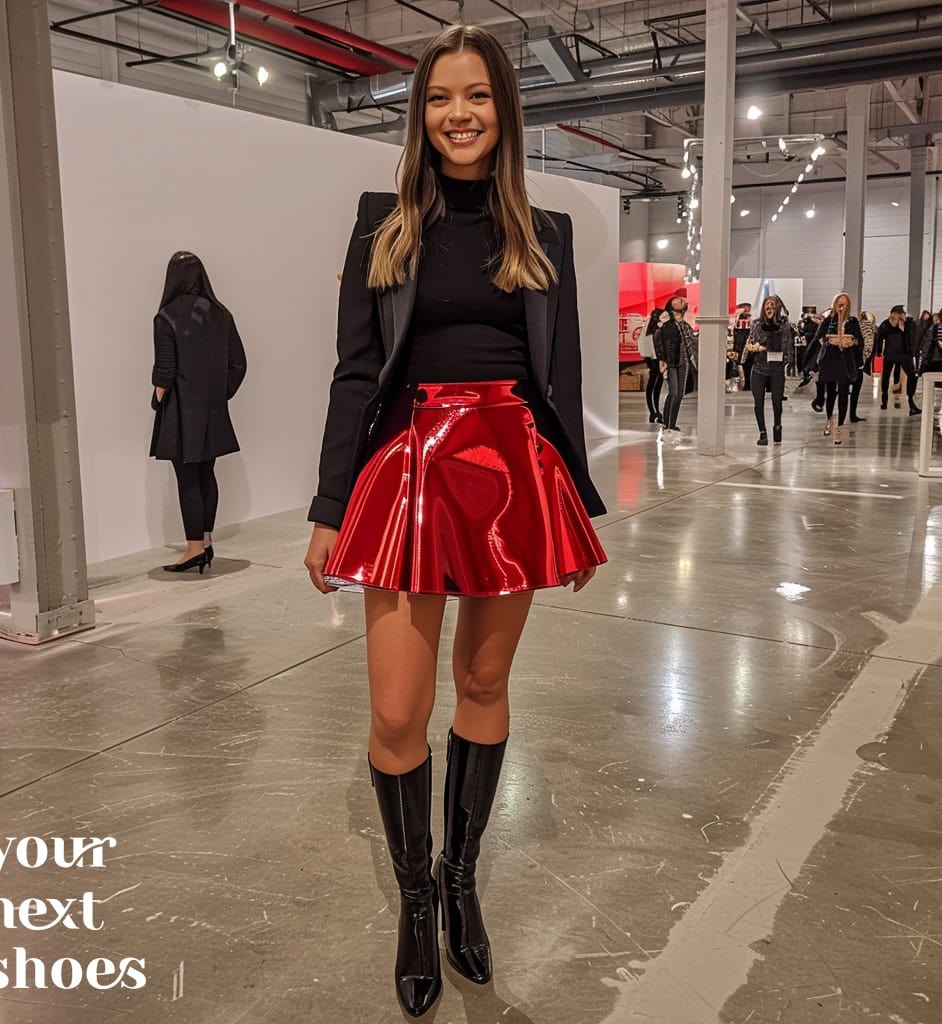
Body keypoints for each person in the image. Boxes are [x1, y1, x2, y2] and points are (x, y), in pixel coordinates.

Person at [302, 25, 607, 1018]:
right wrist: (326, 506)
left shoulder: (544, 234)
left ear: (503, 110)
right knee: (396, 710)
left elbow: (559, 380)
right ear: (419, 113)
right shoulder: (381, 224)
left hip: (512, 469)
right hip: (406, 467)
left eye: (476, 96)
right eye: (439, 97)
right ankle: (415, 895)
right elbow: (357, 372)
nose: (459, 113)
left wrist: (575, 497)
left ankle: (465, 878)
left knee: (482, 677)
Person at [149, 251, 246, 573]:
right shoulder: (221, 314)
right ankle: (205, 541)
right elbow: (238, 364)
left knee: (187, 478)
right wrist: (219, 395)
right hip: (213, 410)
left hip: (180, 412)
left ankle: (192, 549)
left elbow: (165, 371)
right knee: (207, 474)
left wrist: (157, 398)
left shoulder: (166, 317)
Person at [743, 295, 794, 446]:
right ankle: (762, 433)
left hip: (777, 368)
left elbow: (787, 346)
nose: (769, 308)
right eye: (767, 306)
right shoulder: (757, 324)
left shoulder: (784, 325)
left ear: (777, 308)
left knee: (777, 402)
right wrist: (753, 347)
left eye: (772, 305)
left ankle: (777, 427)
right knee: (758, 402)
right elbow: (754, 340)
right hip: (759, 367)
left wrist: (787, 360)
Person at [816, 292, 862, 446]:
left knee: (843, 393)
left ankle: (840, 427)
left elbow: (858, 340)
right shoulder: (829, 320)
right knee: (830, 393)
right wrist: (828, 342)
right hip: (830, 358)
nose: (841, 306)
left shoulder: (853, 322)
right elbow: (819, 337)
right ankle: (829, 417)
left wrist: (852, 342)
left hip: (845, 359)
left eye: (844, 303)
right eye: (839, 303)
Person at [657, 294, 697, 433]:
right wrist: (663, 360)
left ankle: (671, 423)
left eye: (683, 300)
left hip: (684, 361)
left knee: (679, 394)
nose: (680, 300)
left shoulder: (685, 325)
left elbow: (692, 343)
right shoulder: (666, 323)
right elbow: (660, 342)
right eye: (678, 299)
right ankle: (667, 423)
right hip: (671, 362)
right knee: (674, 392)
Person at [874, 304, 921, 414]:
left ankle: (911, 401)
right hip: (890, 354)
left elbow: (913, 338)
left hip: (905, 355)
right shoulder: (886, 324)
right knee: (885, 375)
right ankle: (884, 399)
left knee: (912, 376)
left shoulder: (909, 323)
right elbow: (879, 338)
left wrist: (902, 328)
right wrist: (878, 352)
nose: (903, 315)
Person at [639, 308, 666, 423]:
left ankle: (653, 411)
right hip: (657, 359)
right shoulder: (658, 330)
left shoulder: (648, 330)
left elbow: (643, 345)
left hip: (651, 359)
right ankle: (655, 411)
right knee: (656, 385)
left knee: (652, 385)